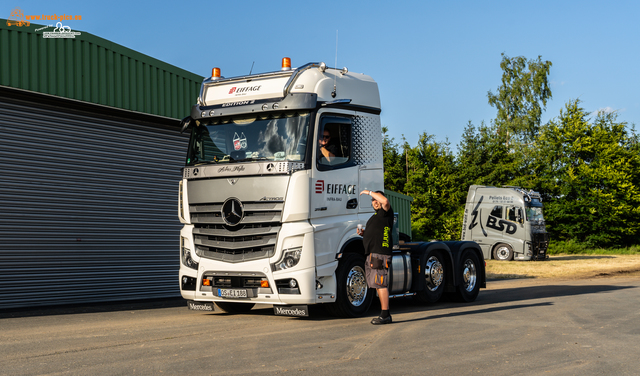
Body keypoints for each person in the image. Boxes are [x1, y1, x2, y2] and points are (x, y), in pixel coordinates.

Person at [356, 189, 394, 325]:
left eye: (376, 199)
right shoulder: (376, 216)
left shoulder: (386, 212)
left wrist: (369, 192)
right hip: (373, 253)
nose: (375, 202)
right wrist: (364, 234)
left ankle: (385, 315)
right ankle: (384, 314)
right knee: (378, 284)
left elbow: (385, 201)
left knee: (381, 283)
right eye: (373, 201)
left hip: (380, 253)